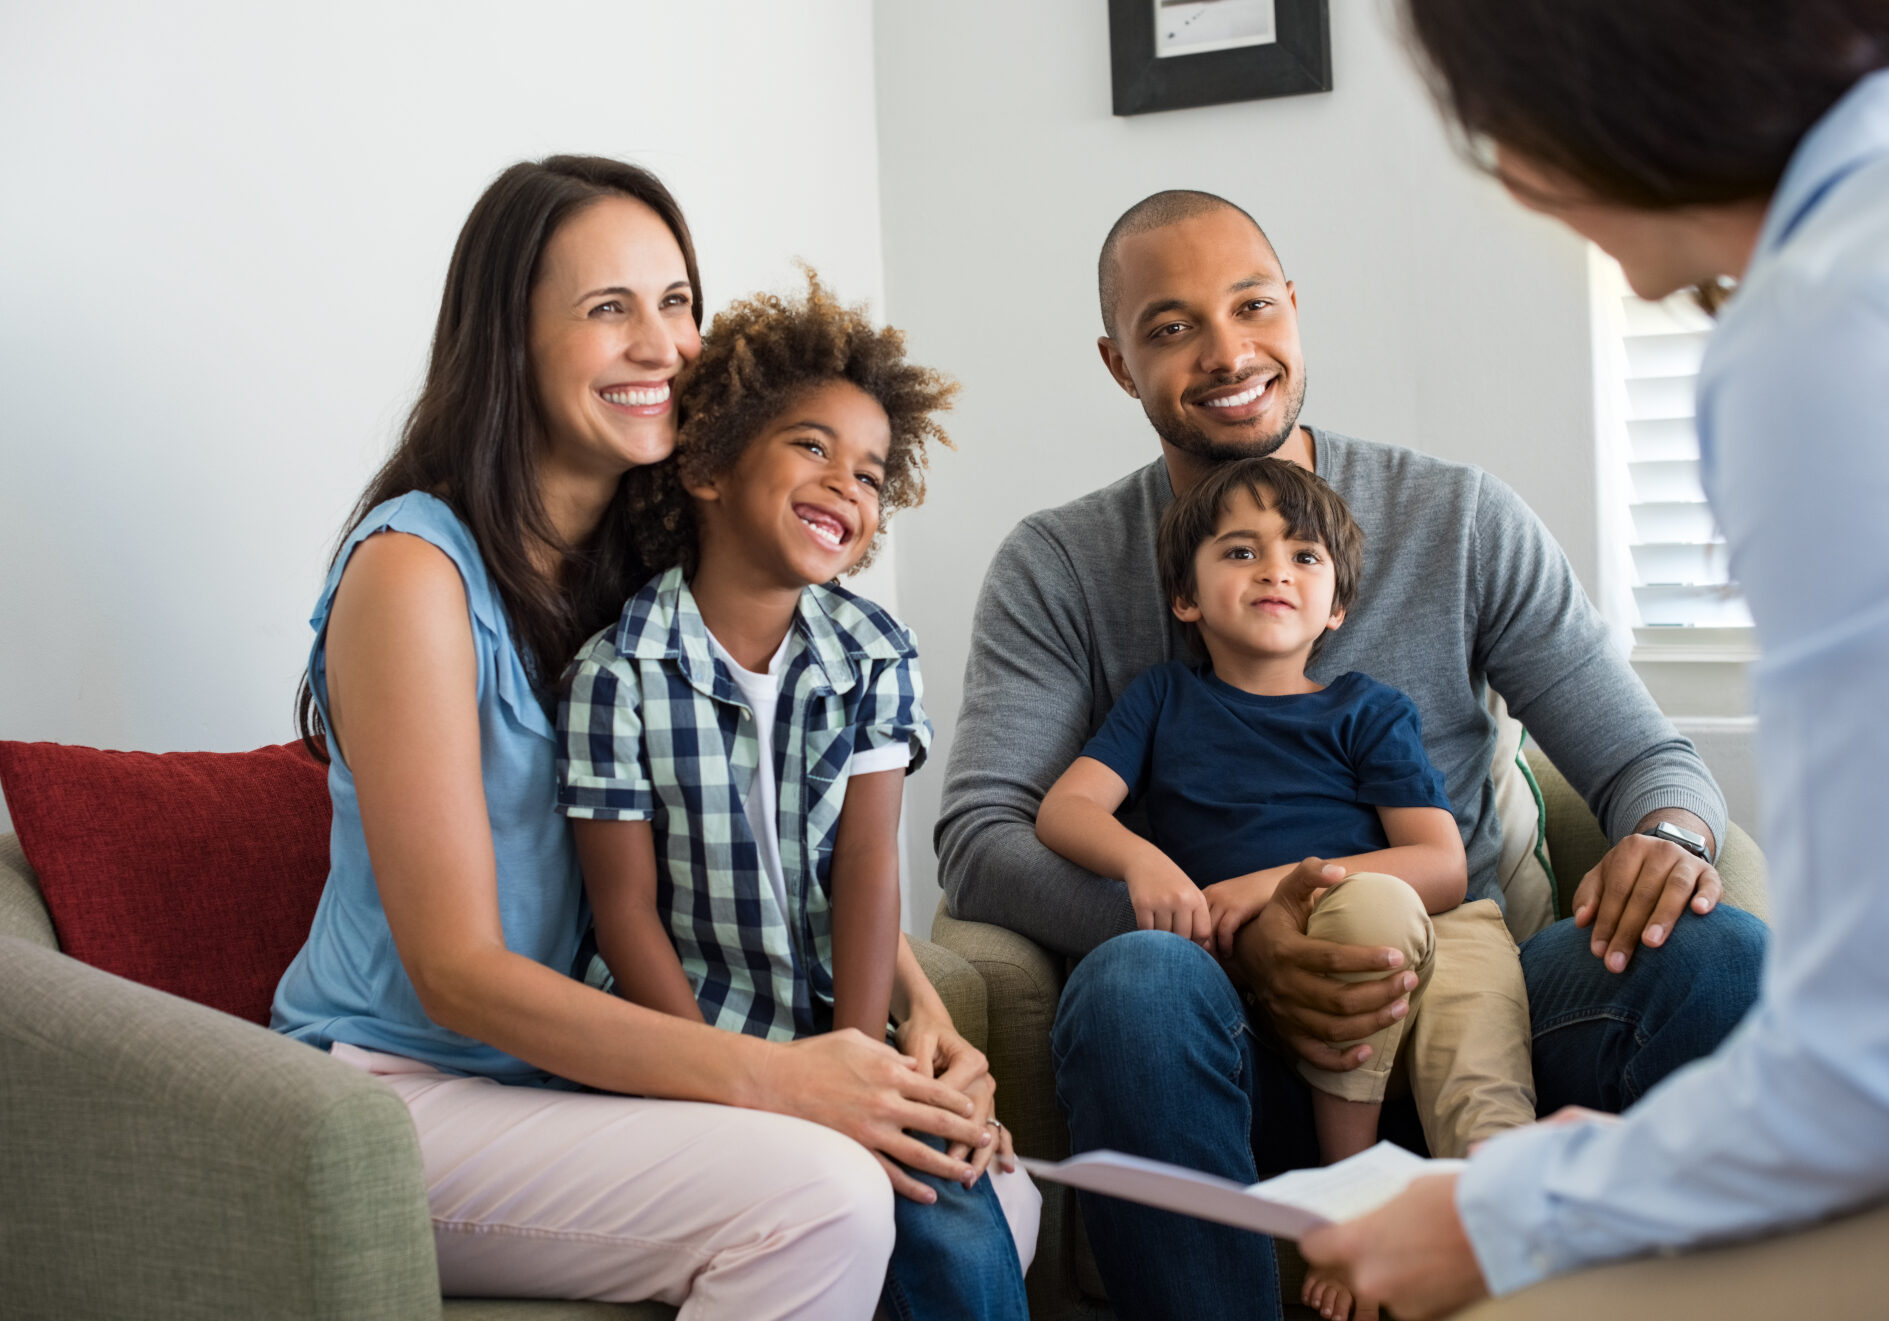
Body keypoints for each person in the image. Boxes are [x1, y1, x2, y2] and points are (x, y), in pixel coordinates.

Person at [935, 185, 1769, 1319]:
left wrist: (1671, 837)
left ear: (1293, 307)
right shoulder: (1061, 565)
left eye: (1252, 306)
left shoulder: (1457, 519)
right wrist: (1235, 939)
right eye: (1172, 327)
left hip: (1466, 995)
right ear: (1118, 364)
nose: (1228, 352)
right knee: (1136, 983)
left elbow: (1643, 761)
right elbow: (982, 837)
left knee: (1718, 955)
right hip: (1215, 1039)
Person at [271, 156, 1007, 1320]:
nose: (661, 345)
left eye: (675, 302)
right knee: (826, 1195)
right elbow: (455, 972)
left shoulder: (653, 572)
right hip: (395, 1091)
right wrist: (784, 1080)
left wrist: (914, 1017)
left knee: (981, 1191)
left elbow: (780, 843)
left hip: (576, 1075)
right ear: (509, 340)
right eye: (608, 308)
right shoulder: (412, 575)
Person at [1298, 4, 1889, 1317]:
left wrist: (1514, 1206)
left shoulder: (1813, 330)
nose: (1512, 185)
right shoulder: (1077, 576)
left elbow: (1858, 1063)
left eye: (1495, 130)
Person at [555, 272, 1036, 1320]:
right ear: (708, 464)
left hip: (831, 1031)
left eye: (868, 472)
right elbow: (622, 913)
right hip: (678, 1040)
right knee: (897, 1204)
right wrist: (721, 1076)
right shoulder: (615, 673)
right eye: (811, 446)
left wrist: (860, 1069)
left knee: (954, 1198)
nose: (843, 486)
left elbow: (865, 869)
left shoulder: (874, 654)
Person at [1036, 456, 1535, 1319]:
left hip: (1414, 945)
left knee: (1470, 1074)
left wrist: (1268, 885)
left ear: (1336, 606)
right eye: (1240, 551)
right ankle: (1349, 1207)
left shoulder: (1366, 709)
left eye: (1304, 556)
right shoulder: (1162, 699)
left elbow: (1439, 863)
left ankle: (1488, 1250)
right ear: (1184, 597)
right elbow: (1066, 808)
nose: (1275, 570)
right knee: (1346, 918)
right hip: (1261, 1006)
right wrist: (1143, 861)